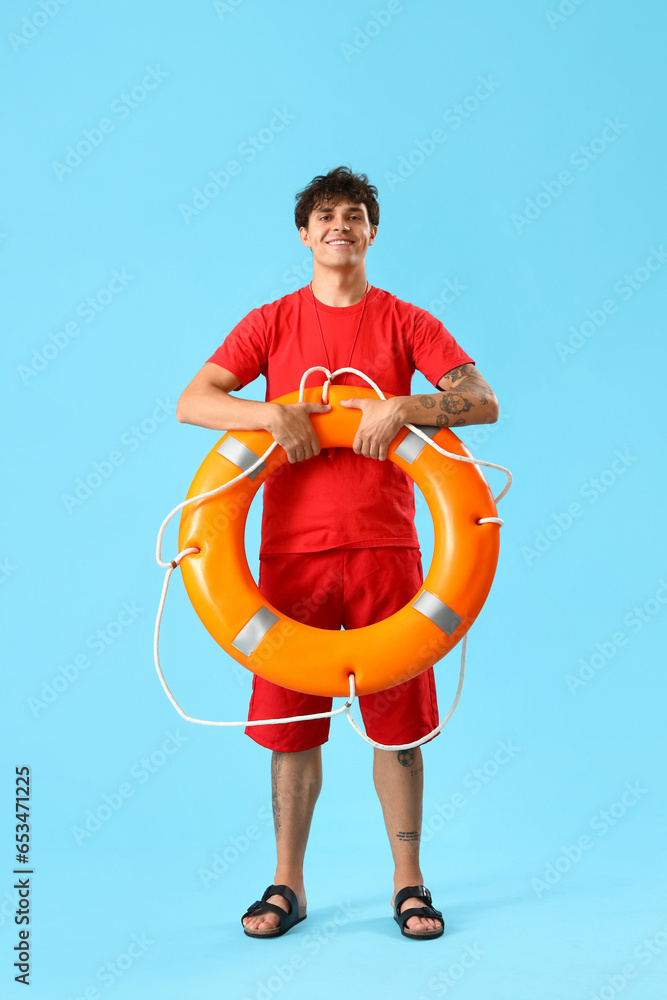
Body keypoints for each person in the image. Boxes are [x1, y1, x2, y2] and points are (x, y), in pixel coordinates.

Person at [176, 166, 499, 940]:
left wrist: (406, 405)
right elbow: (194, 401)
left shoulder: (403, 322)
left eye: (353, 216)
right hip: (291, 559)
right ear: (303, 233)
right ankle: (287, 884)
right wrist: (265, 414)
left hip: (388, 551)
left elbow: (482, 400)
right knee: (291, 729)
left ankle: (409, 883)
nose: (338, 227)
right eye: (324, 216)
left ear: (371, 233)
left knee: (399, 728)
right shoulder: (271, 323)